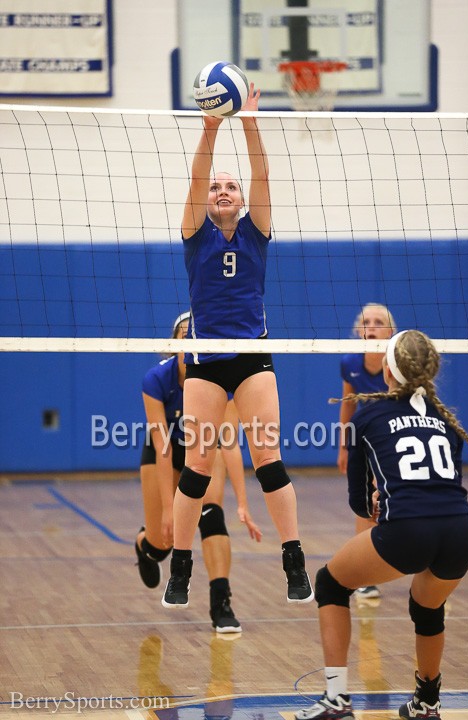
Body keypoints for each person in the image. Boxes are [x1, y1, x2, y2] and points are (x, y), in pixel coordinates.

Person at [162, 83, 313, 608]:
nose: (223, 189)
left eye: (231, 186)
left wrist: (248, 121)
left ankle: (293, 559)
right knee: (198, 463)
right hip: (206, 359)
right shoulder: (194, 233)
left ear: (243, 200)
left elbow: (262, 174)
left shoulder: (257, 230)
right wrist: (210, 130)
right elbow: (198, 176)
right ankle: (181, 568)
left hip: (251, 356)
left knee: (267, 454)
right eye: (217, 186)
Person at [295, 330, 468, 720]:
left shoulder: (366, 415)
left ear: (388, 371)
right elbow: (445, 484)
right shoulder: (447, 420)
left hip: (409, 530)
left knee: (330, 582)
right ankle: (427, 702)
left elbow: (358, 501)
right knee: (428, 607)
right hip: (461, 533)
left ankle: (336, 700)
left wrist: (378, 505)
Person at [135, 312, 262, 633]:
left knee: (210, 514)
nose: (191, 337)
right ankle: (143, 546)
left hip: (205, 447)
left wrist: (243, 503)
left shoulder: (222, 381)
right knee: (161, 543)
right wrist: (167, 508)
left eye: (198, 333)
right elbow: (162, 448)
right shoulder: (156, 380)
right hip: (166, 452)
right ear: (173, 342)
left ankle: (221, 603)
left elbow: (229, 443)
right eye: (184, 333)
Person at [337, 303, 396, 600]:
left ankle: (425, 565)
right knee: (364, 502)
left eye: (378, 322)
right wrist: (343, 447)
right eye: (366, 322)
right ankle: (364, 574)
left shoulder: (399, 362)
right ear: (359, 331)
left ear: (390, 331)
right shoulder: (350, 362)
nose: (371, 326)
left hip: (396, 442)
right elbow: (348, 402)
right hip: (366, 442)